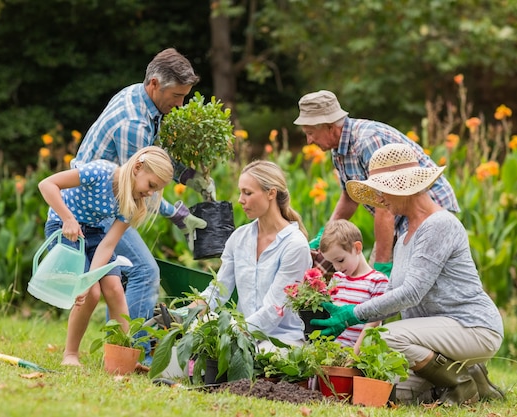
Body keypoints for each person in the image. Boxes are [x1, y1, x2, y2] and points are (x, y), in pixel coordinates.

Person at [311, 143, 504, 406]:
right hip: (436, 338)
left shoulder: (439, 225)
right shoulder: (403, 237)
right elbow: (391, 296)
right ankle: (471, 375)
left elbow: (412, 293)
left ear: (401, 186)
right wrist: (354, 351)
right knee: (397, 391)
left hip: (472, 326)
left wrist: (351, 315)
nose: (379, 200)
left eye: (381, 191)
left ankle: (463, 384)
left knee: (389, 337)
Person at [71, 48, 212, 362]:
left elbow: (154, 160)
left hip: (105, 199)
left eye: (185, 96)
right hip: (93, 205)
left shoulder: (139, 97)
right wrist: (175, 213)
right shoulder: (133, 123)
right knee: (144, 272)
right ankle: (136, 354)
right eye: (177, 95)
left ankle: (124, 350)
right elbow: (137, 188)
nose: (181, 104)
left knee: (128, 273)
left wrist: (189, 176)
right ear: (154, 84)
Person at [294, 90, 459, 277]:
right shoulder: (338, 150)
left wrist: (381, 266)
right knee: (378, 283)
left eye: (310, 133)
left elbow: (385, 205)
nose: (309, 140)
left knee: (405, 280)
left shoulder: (366, 140)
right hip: (397, 211)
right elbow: (349, 197)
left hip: (426, 206)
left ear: (331, 127)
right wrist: (325, 234)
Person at [38, 146, 174, 366]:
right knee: (91, 293)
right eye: (151, 185)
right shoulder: (100, 171)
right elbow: (47, 184)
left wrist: (89, 277)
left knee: (114, 289)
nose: (150, 193)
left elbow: (108, 244)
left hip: (94, 235)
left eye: (156, 190)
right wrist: (68, 219)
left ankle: (124, 357)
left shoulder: (131, 203)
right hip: (64, 229)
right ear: (138, 168)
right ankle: (70, 354)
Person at [189, 160, 312, 347]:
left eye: (248, 193)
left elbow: (275, 308)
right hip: (242, 335)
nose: (240, 199)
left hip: (281, 340)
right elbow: (218, 290)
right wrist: (186, 313)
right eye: (241, 192)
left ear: (271, 193)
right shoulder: (239, 238)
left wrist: (233, 334)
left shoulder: (294, 245)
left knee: (260, 357)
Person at [318, 219, 388, 353]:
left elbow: (372, 325)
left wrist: (354, 356)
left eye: (340, 260)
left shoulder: (377, 281)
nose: (337, 267)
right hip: (333, 350)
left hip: (360, 354)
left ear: (357, 248)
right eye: (332, 263)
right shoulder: (337, 278)